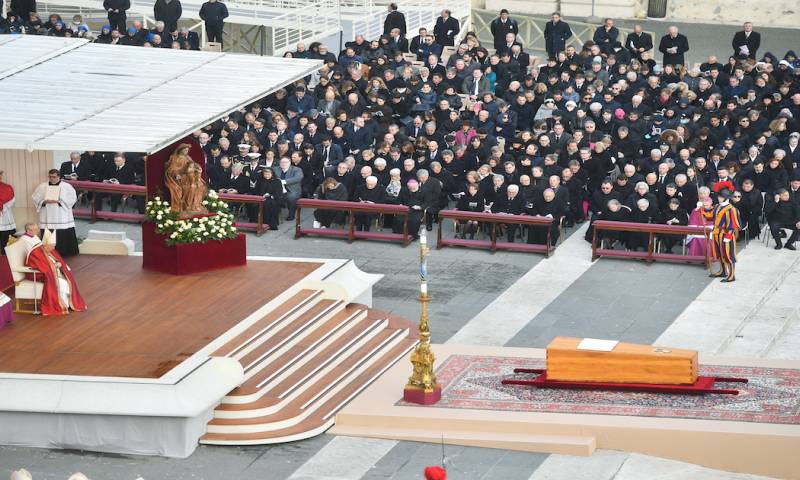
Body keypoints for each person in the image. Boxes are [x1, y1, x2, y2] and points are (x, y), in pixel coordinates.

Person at [19, 223, 86, 316]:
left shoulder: (49, 249)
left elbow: (58, 260)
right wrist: (54, 266)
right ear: (45, 245)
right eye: (52, 246)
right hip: (38, 274)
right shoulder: (36, 252)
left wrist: (60, 265)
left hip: (54, 272)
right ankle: (61, 304)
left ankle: (67, 303)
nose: (53, 248)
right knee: (61, 283)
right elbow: (40, 266)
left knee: (68, 279)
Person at [31, 169, 79, 257]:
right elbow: (35, 197)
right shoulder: (42, 186)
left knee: (61, 233)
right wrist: (43, 201)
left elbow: (72, 199)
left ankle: (64, 252)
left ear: (59, 176)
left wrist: (59, 201)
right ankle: (47, 252)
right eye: (50, 177)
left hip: (61, 215)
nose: (52, 179)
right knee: (47, 232)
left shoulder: (67, 186)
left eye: (54, 177)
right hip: (47, 214)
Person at [710, 182, 742, 282]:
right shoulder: (717, 206)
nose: (718, 198)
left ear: (725, 197)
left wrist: (728, 237)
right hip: (717, 234)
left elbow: (733, 225)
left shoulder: (731, 209)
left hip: (726, 234)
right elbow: (712, 217)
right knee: (720, 253)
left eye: (720, 196)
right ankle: (723, 271)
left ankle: (732, 275)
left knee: (729, 255)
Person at [274, 157, 304, 221]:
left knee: (291, 197)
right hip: (278, 189)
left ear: (290, 163)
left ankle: (291, 214)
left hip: (292, 189)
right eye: (282, 162)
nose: (283, 164)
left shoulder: (297, 169)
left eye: (285, 162)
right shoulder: (275, 169)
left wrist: (283, 181)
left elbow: (298, 178)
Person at [0, 170, 15, 252]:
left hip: (5, 215)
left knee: (5, 242)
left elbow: (12, 200)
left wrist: (2, 207)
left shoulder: (7, 187)